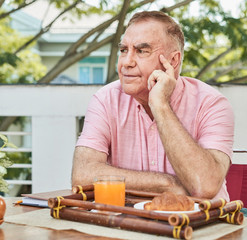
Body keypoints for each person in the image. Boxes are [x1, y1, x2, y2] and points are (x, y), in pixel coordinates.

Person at [71, 11, 234, 200]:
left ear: (173, 61)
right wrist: (168, 184)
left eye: (141, 51)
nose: (126, 62)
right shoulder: (105, 100)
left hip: (200, 225)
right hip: (128, 223)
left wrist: (160, 105)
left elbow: (204, 186)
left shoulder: (212, 104)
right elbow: (82, 175)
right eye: (124, 50)